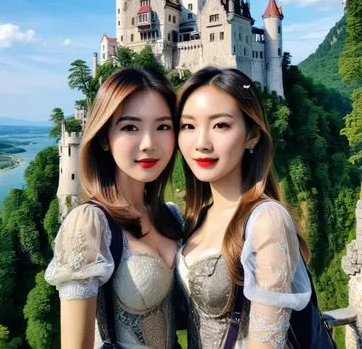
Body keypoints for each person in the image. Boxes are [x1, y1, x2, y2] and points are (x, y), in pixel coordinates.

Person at [45, 67, 183, 349]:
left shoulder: (170, 215)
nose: (149, 144)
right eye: (131, 127)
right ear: (105, 138)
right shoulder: (89, 224)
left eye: (163, 126)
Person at [175, 66, 312, 349]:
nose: (201, 143)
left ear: (252, 135)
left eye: (220, 125)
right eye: (189, 125)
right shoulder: (196, 218)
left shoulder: (267, 220)